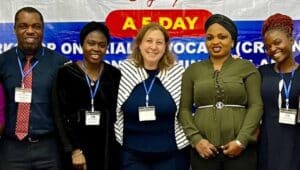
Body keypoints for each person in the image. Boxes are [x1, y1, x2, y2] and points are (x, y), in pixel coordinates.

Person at [179, 14, 263, 170]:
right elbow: (183, 110)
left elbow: (256, 106)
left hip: (241, 151)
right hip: (204, 151)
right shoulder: (192, 71)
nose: (215, 42)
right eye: (210, 38)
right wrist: (197, 140)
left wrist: (241, 141)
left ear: (232, 42)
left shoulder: (247, 67)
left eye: (222, 37)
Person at [0, 6, 69, 169]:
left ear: (43, 30)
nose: (30, 31)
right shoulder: (2, 62)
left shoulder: (60, 64)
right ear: (14, 29)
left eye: (36, 26)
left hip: (48, 149)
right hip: (11, 149)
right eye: (24, 26)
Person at [114, 22, 190, 170]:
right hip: (131, 154)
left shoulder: (178, 73)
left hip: (171, 155)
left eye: (159, 42)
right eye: (149, 41)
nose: (153, 47)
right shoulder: (123, 71)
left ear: (165, 47)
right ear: (139, 44)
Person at [53, 21, 121, 170]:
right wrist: (74, 150)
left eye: (102, 45)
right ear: (82, 44)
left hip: (106, 149)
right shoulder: (66, 73)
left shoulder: (114, 74)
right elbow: (60, 115)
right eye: (91, 43)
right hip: (76, 151)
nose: (96, 48)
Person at [258, 13, 300, 170]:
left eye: (277, 43)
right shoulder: (262, 72)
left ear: (291, 40)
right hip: (268, 143)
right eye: (268, 47)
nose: (273, 49)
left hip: (295, 141)